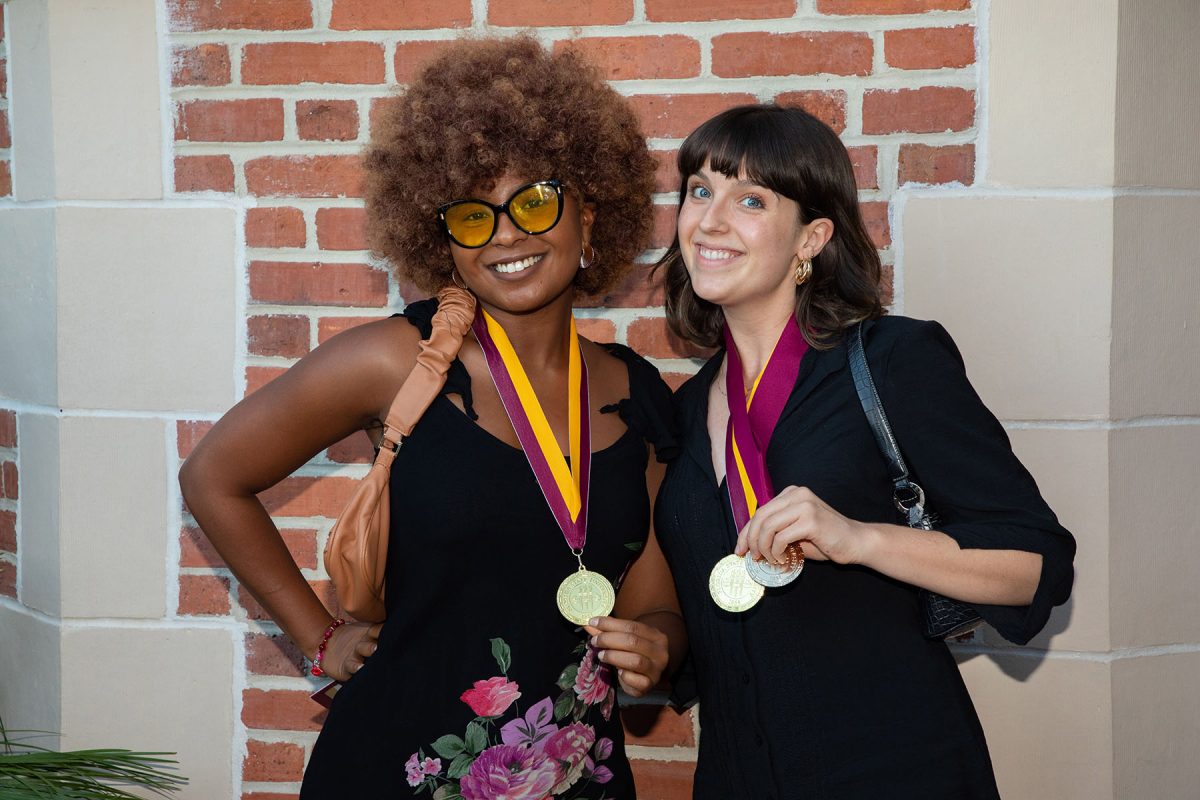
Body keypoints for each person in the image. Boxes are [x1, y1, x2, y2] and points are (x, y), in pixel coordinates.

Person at [179, 35, 686, 799]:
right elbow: (212, 475)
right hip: (396, 768)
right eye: (473, 217)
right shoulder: (394, 362)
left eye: (536, 202)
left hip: (576, 773)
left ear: (591, 216)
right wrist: (320, 638)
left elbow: (653, 601)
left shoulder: (635, 390)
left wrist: (661, 644)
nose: (507, 233)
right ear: (443, 240)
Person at [652, 104, 1076, 799]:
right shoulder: (685, 411)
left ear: (811, 238)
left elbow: (1037, 568)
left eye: (751, 199)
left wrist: (857, 538)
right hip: (738, 777)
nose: (711, 220)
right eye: (700, 190)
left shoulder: (892, 363)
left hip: (894, 770)